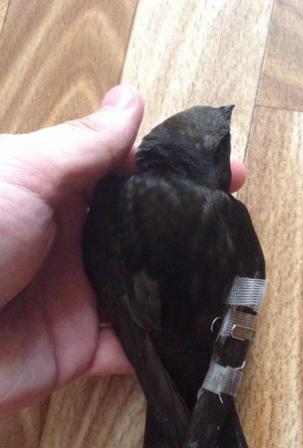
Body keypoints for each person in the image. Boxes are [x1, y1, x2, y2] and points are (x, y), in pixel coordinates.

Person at [0, 85, 247, 415]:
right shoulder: (218, 214)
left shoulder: (114, 197)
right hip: (180, 330)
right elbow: (244, 285)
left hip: (137, 324)